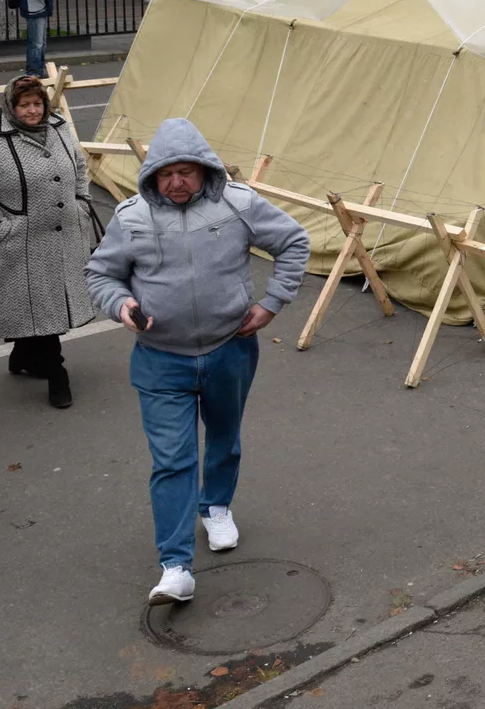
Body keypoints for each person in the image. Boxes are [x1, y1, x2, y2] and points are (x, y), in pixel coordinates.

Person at [84, 118, 311, 605]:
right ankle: (175, 566)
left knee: (224, 437)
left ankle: (217, 506)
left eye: (186, 171)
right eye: (166, 174)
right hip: (160, 359)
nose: (176, 182)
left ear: (205, 170)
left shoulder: (239, 204)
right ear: (153, 176)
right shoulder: (132, 217)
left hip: (230, 348)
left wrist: (271, 303)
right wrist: (121, 305)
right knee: (172, 460)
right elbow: (101, 274)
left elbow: (294, 241)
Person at [0, 76, 94, 409]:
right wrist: (2, 230)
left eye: (37, 104)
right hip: (21, 242)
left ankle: (22, 355)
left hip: (64, 236)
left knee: (45, 306)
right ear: (11, 106)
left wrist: (81, 203)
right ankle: (57, 375)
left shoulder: (60, 127)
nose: (32, 111)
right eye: (24, 105)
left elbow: (79, 166)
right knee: (43, 308)